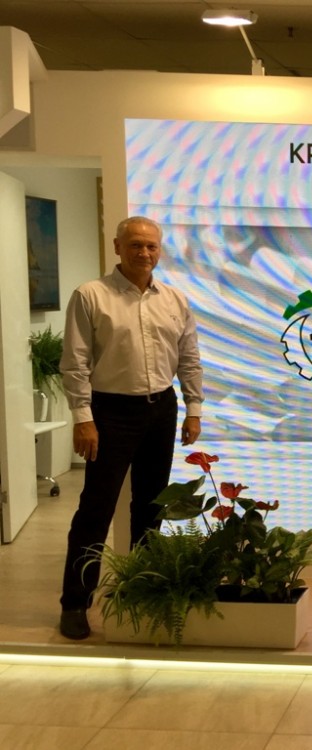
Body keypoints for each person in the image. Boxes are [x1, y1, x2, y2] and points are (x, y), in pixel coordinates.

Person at [58, 216, 204, 640]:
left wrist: (193, 408)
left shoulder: (175, 299)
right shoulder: (91, 295)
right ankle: (75, 604)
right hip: (110, 413)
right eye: (136, 245)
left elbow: (189, 357)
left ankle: (142, 593)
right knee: (96, 510)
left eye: (151, 246)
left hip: (161, 409)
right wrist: (83, 418)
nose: (144, 253)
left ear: (160, 250)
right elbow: (75, 362)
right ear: (117, 247)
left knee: (151, 508)